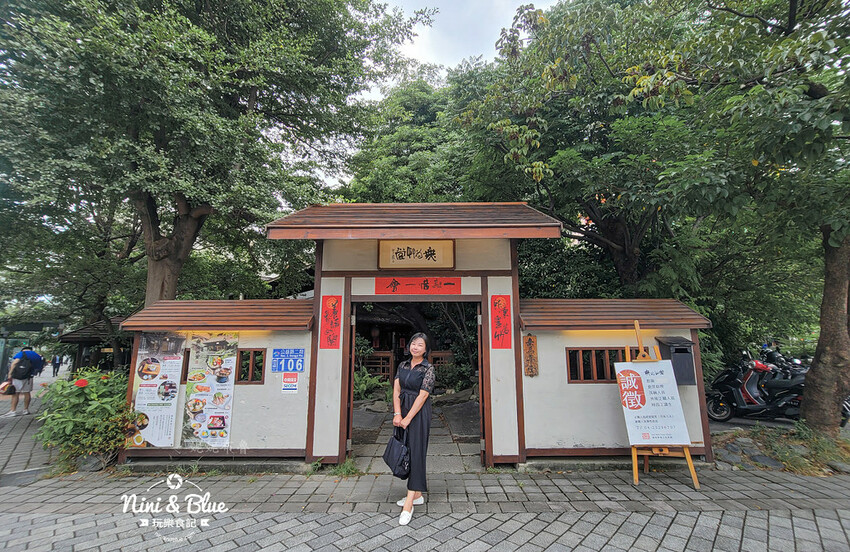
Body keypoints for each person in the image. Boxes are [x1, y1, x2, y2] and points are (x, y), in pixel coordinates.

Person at [392, 332, 435, 526]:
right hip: (402, 411)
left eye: (419, 345)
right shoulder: (402, 365)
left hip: (419, 414)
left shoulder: (428, 369)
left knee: (417, 453)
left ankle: (409, 504)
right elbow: (396, 390)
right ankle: (417, 494)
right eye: (413, 344)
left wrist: (409, 418)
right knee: (406, 450)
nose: (415, 347)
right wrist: (397, 414)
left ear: (426, 349)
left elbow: (423, 395)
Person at [2, 346, 43, 417]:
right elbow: (39, 367)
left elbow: (15, 363)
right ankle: (25, 410)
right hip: (29, 377)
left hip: (18, 376)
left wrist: (10, 374)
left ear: (23, 350)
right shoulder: (36, 356)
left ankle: (13, 410)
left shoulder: (21, 354)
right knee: (27, 393)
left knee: (15, 393)